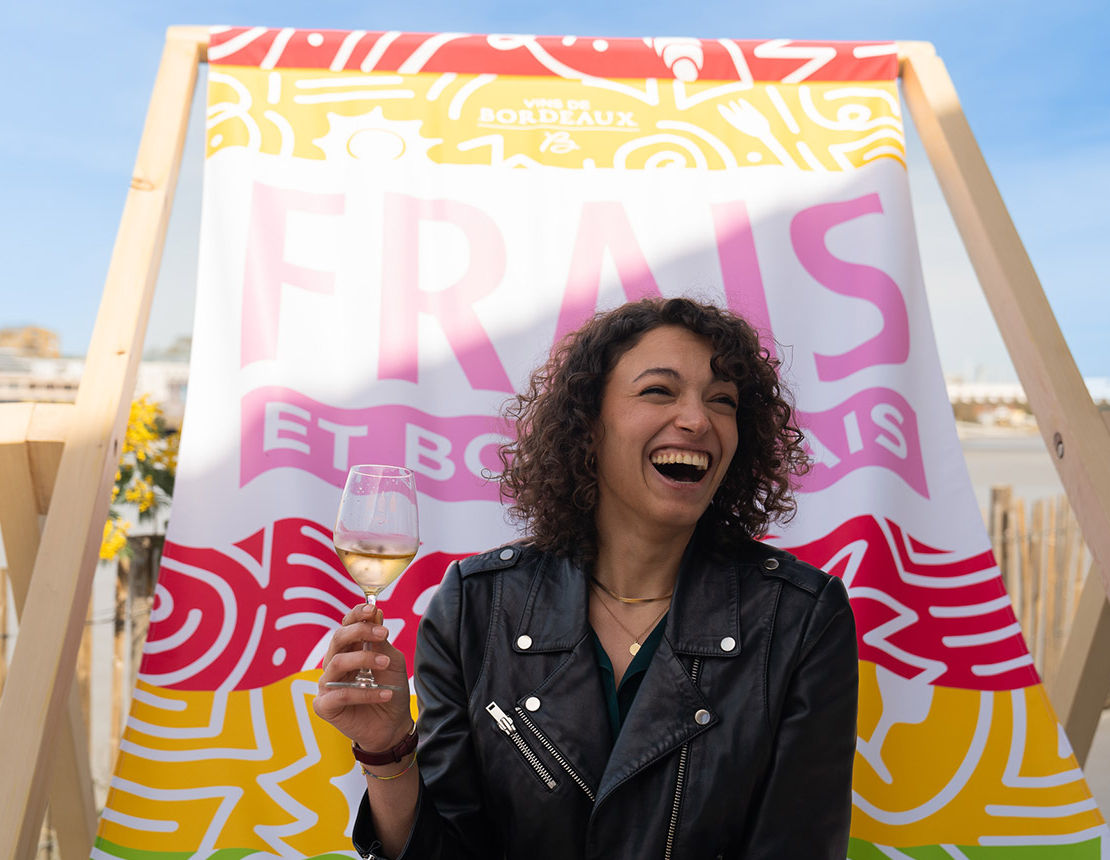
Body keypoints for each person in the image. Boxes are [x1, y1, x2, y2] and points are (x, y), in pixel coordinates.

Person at [314, 297, 859, 859]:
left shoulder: (800, 617)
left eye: (722, 400)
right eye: (659, 391)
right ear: (587, 424)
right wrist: (387, 751)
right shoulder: (476, 606)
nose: (698, 419)